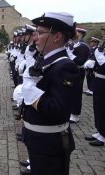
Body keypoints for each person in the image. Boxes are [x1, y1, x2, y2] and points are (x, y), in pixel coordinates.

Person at [21, 12, 79, 175]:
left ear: (57, 36)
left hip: (49, 143)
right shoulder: (47, 60)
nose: (35, 38)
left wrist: (31, 93)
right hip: (39, 140)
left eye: (40, 33)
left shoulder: (65, 66)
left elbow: (58, 110)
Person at [66, 27, 90, 123]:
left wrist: (70, 54)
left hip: (78, 72)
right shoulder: (73, 45)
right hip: (70, 72)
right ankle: (70, 111)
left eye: (76, 33)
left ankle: (75, 115)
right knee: (69, 91)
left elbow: (80, 62)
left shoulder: (83, 47)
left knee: (76, 93)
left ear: (80, 34)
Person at [83, 44, 105, 146]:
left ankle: (103, 135)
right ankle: (100, 131)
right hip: (99, 79)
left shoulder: (100, 51)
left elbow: (103, 63)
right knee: (97, 107)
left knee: (103, 108)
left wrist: (99, 54)